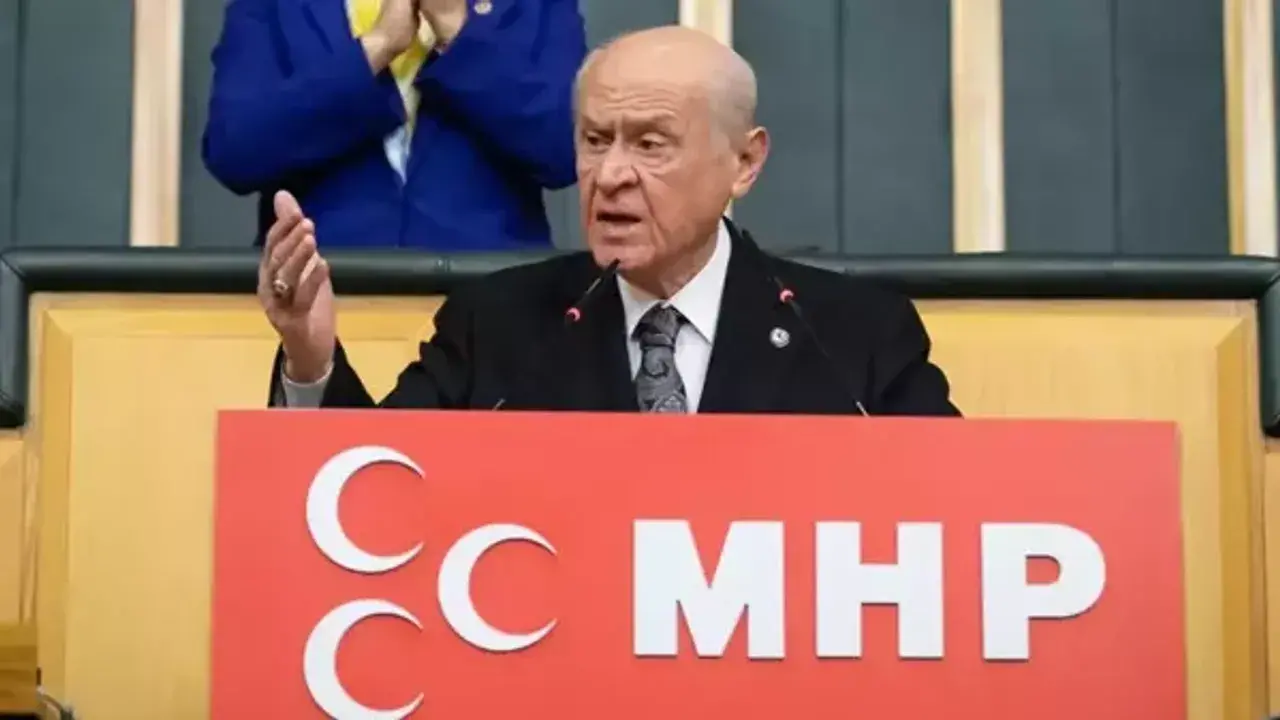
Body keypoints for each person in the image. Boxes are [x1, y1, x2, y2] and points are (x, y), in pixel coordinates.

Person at [259, 26, 960, 416]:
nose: (611, 174)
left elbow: (954, 519)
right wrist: (310, 359)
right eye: (595, 141)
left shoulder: (857, 338)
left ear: (744, 163)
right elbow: (374, 493)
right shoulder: (494, 328)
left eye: (650, 144)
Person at [203, 0, 585, 250]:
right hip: (317, 299)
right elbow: (234, 149)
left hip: (494, 301)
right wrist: (377, 47)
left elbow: (566, 149)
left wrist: (458, 33)